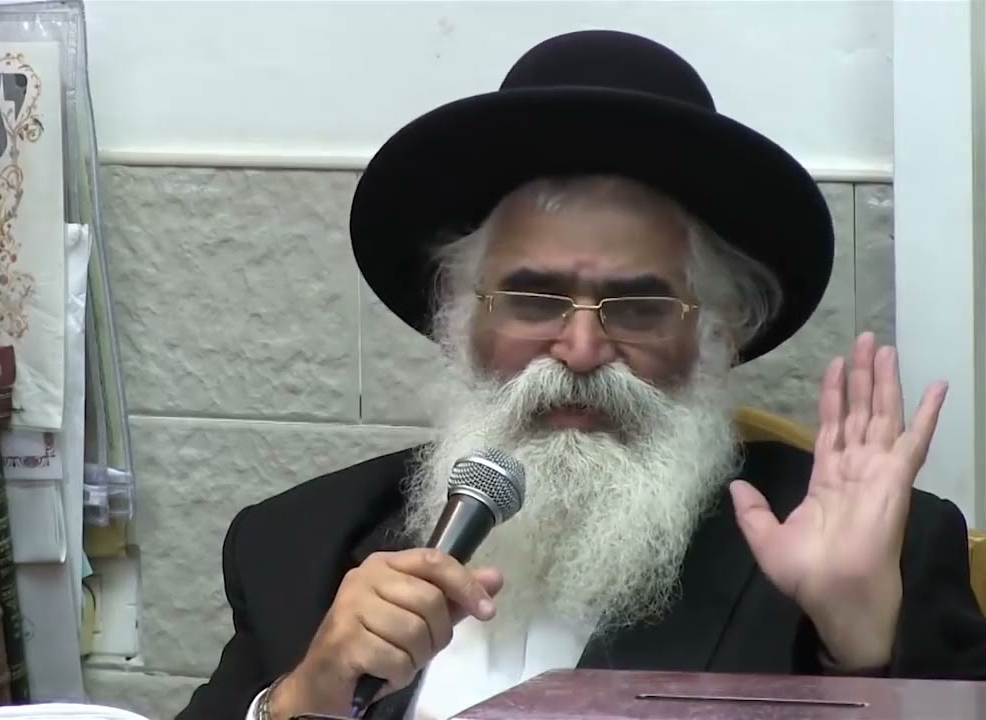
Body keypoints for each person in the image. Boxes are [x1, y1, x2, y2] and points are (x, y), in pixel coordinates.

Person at [176, 30, 986, 720]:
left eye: (640, 308)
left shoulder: (874, 554)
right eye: (533, 299)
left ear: (716, 335)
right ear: (460, 319)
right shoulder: (299, 544)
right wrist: (297, 703)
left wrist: (863, 653)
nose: (582, 347)